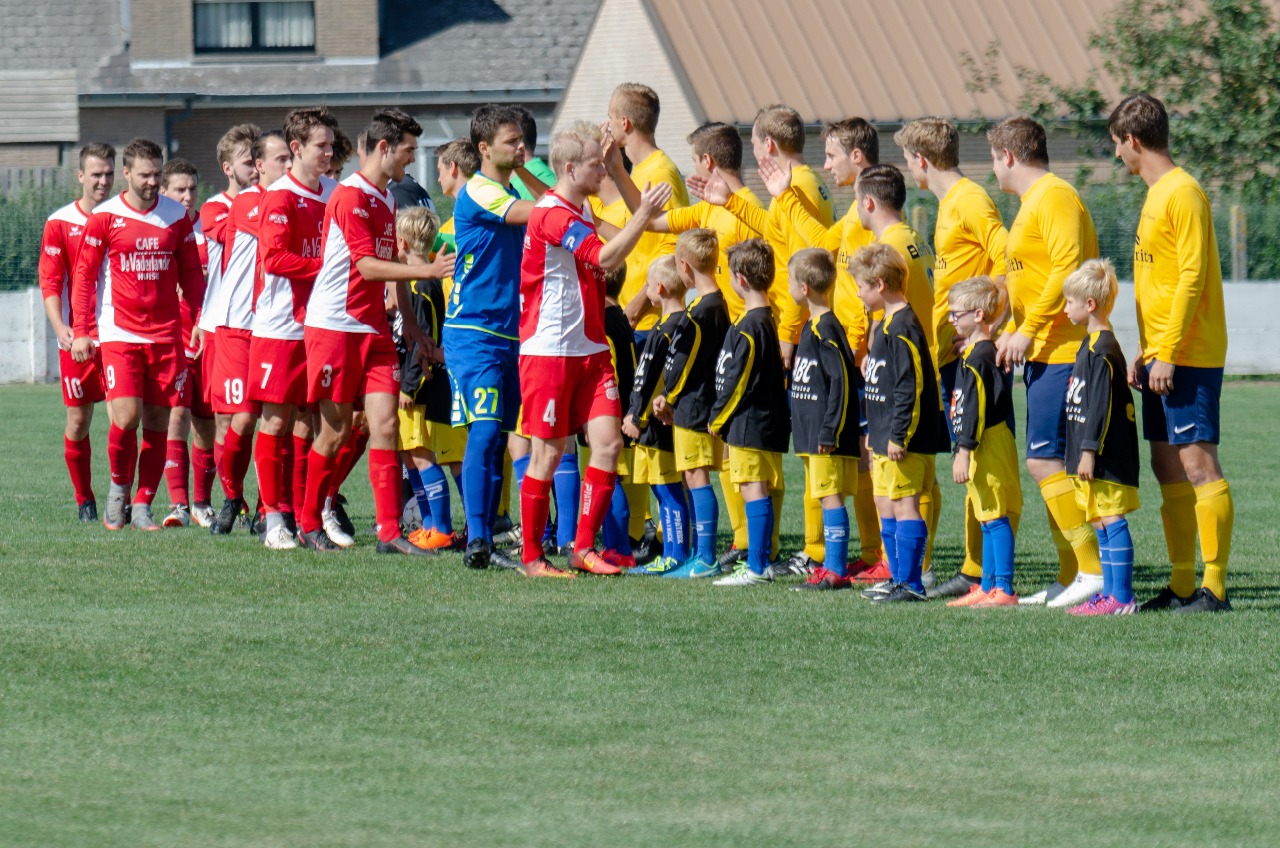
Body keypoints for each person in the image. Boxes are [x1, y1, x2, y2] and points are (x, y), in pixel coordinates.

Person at [516, 121, 671, 578]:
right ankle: (532, 557)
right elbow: (604, 257)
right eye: (594, 165)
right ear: (569, 169)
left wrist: (625, 181)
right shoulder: (552, 214)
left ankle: (582, 548)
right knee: (547, 455)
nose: (601, 171)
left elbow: (624, 240)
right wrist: (642, 214)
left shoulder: (580, 208)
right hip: (549, 353)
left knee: (608, 444)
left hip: (590, 349)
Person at [688, 103, 835, 577]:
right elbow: (777, 233)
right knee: (791, 449)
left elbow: (806, 262)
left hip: (797, 329)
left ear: (769, 144)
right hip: (791, 327)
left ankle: (812, 551)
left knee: (805, 449)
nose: (753, 153)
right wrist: (732, 201)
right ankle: (776, 547)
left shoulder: (799, 186)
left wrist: (787, 334)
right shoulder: (796, 187)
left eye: (754, 144)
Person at [1109, 93, 1234, 613]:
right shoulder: (1156, 195)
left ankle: (1214, 588)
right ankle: (1182, 583)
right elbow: (1159, 282)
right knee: (1167, 466)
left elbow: (1191, 277)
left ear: (1133, 140)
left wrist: (1171, 352)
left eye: (1117, 144)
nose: (1117, 155)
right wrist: (1146, 347)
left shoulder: (1183, 193)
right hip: (1162, 353)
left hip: (1189, 355)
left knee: (1198, 465)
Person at [298, 107, 443, 556]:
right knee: (335, 431)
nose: (412, 159)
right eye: (408, 151)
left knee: (385, 424)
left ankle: (388, 533)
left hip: (374, 329)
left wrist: (412, 326)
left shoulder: (386, 199)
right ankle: (308, 523)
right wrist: (428, 269)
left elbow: (392, 266)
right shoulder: (349, 196)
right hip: (335, 327)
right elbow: (366, 266)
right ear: (385, 147)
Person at [756, 117, 885, 580]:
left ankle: (878, 557)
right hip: (851, 345)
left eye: (832, 156)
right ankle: (870, 554)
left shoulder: (875, 214)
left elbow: (877, 284)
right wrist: (778, 199)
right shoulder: (854, 212)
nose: (826, 165)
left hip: (861, 349)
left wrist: (865, 341)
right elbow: (823, 244)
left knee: (868, 461)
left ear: (856, 156)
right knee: (860, 461)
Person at [896, 116, 1019, 598]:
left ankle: (984, 574)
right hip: (950, 354)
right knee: (968, 464)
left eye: (908, 160)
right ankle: (976, 571)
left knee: (978, 461)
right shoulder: (950, 204)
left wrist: (992, 329)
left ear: (921, 160)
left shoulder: (969, 200)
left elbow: (1007, 259)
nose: (908, 169)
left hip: (968, 358)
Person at [988, 117, 1103, 608]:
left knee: (1043, 460)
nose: (994, 169)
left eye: (993, 158)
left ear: (1008, 156)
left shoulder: (1054, 196)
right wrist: (1009, 326)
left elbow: (1066, 268)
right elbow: (1032, 276)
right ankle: (1070, 574)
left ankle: (1092, 569)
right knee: (1051, 463)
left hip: (1062, 351)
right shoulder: (1031, 203)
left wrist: (1029, 328)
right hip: (1042, 351)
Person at [69, 137, 205, 531]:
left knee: (158, 420)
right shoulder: (105, 217)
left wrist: (199, 316)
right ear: (126, 173)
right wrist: (82, 330)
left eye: (157, 174)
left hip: (166, 334)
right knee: (127, 417)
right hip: (120, 332)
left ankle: (143, 502)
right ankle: (118, 490)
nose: (152, 182)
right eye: (145, 175)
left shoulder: (175, 216)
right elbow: (84, 277)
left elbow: (191, 272)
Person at [443, 103, 549, 570]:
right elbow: (546, 211)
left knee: (503, 434)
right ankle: (477, 539)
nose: (521, 147)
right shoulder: (480, 190)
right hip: (474, 332)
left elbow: (556, 207)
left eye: (522, 140)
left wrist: (526, 170)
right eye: (512, 141)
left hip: (511, 332)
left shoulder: (508, 186)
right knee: (485, 431)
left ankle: (491, 531)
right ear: (484, 148)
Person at [851, 164, 946, 588]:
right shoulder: (912, 239)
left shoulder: (890, 249)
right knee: (900, 494)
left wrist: (898, 433)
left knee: (910, 494)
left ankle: (913, 575)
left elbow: (909, 382)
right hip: (896, 401)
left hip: (906, 411)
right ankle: (903, 573)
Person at [250, 107, 340, 550]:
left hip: (323, 325)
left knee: (311, 422)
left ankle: (309, 517)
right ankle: (273, 519)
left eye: (331, 145)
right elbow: (274, 258)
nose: (329, 153)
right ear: (296, 148)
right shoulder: (280, 196)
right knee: (276, 420)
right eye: (321, 146)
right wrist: (328, 268)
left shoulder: (336, 192)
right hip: (281, 327)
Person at [207, 129, 292, 536]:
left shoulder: (295, 200)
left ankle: (269, 507)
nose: (289, 165)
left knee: (283, 422)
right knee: (242, 420)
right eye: (281, 159)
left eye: (291, 157)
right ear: (259, 167)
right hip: (239, 325)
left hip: (277, 326)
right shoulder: (247, 201)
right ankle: (232, 497)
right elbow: (284, 242)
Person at [39, 142, 115, 523]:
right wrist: (61, 328)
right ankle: (85, 500)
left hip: (118, 336)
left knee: (125, 420)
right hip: (78, 339)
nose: (103, 181)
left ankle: (123, 499)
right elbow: (50, 283)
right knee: (79, 421)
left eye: (109, 173)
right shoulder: (60, 222)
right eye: (96, 174)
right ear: (81, 175)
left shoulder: (122, 217)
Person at [1061, 259, 1141, 615]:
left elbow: (1102, 406)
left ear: (1089, 304)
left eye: (1069, 302)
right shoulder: (1090, 344)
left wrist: (1090, 450)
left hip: (1107, 455)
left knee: (1111, 518)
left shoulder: (1103, 349)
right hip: (1091, 453)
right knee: (1100, 521)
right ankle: (1108, 594)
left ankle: (1121, 597)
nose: (1065, 309)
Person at [709, 239, 791, 586]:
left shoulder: (750, 325)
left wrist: (717, 418)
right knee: (760, 488)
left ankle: (756, 566)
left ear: (740, 279)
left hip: (750, 423)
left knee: (753, 489)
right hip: (766, 421)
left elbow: (738, 380)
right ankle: (763, 561)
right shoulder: (765, 318)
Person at [653, 229, 731, 578]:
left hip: (694, 405)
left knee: (696, 476)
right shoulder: (716, 303)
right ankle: (699, 554)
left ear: (684, 266)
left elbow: (685, 362)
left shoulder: (700, 310)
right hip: (701, 403)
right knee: (692, 475)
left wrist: (667, 396)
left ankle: (706, 558)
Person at [195, 123, 260, 527]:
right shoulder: (215, 208)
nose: (255, 168)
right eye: (247, 162)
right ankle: (232, 497)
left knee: (265, 418)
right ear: (227, 168)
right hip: (224, 323)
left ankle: (269, 502)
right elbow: (236, 235)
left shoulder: (273, 202)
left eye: (258, 161)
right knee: (228, 419)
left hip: (269, 322)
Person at [945, 276, 1023, 608]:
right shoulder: (975, 353)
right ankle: (987, 585)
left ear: (978, 315)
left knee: (995, 514)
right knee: (986, 514)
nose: (951, 319)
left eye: (956, 313)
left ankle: (1003, 588)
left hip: (987, 442)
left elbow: (976, 408)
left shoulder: (981, 357)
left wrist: (963, 451)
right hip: (982, 442)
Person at [787, 248, 862, 591]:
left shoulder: (826, 328)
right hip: (813, 434)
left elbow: (842, 381)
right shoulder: (813, 325)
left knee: (831, 497)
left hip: (825, 436)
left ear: (804, 287)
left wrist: (830, 429)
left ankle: (835, 569)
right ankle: (830, 566)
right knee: (824, 495)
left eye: (790, 280)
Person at [394, 205, 461, 552]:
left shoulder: (423, 285)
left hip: (420, 388)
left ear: (403, 243)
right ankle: (429, 524)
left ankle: (442, 528)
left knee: (420, 456)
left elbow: (424, 341)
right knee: (410, 456)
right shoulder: (415, 282)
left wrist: (409, 387)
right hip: (413, 384)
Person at [157, 157, 216, 528]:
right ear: (163, 191)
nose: (188, 196)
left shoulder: (210, 226)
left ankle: (202, 503)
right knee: (176, 415)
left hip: (208, 337)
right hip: (173, 337)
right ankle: (178, 503)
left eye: (192, 188)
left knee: (206, 423)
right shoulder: (158, 228)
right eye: (179, 190)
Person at [623, 256, 691, 574]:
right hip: (651, 423)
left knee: (668, 488)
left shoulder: (671, 329)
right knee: (659, 487)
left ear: (660, 288)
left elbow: (655, 380)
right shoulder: (668, 325)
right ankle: (672, 552)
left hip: (656, 424)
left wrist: (637, 417)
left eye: (648, 285)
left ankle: (676, 554)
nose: (646, 290)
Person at [606, 83, 689, 339]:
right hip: (631, 316)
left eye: (610, 117)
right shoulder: (638, 171)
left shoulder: (661, 172)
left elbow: (673, 249)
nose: (607, 125)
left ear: (625, 123)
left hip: (648, 320)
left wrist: (635, 308)